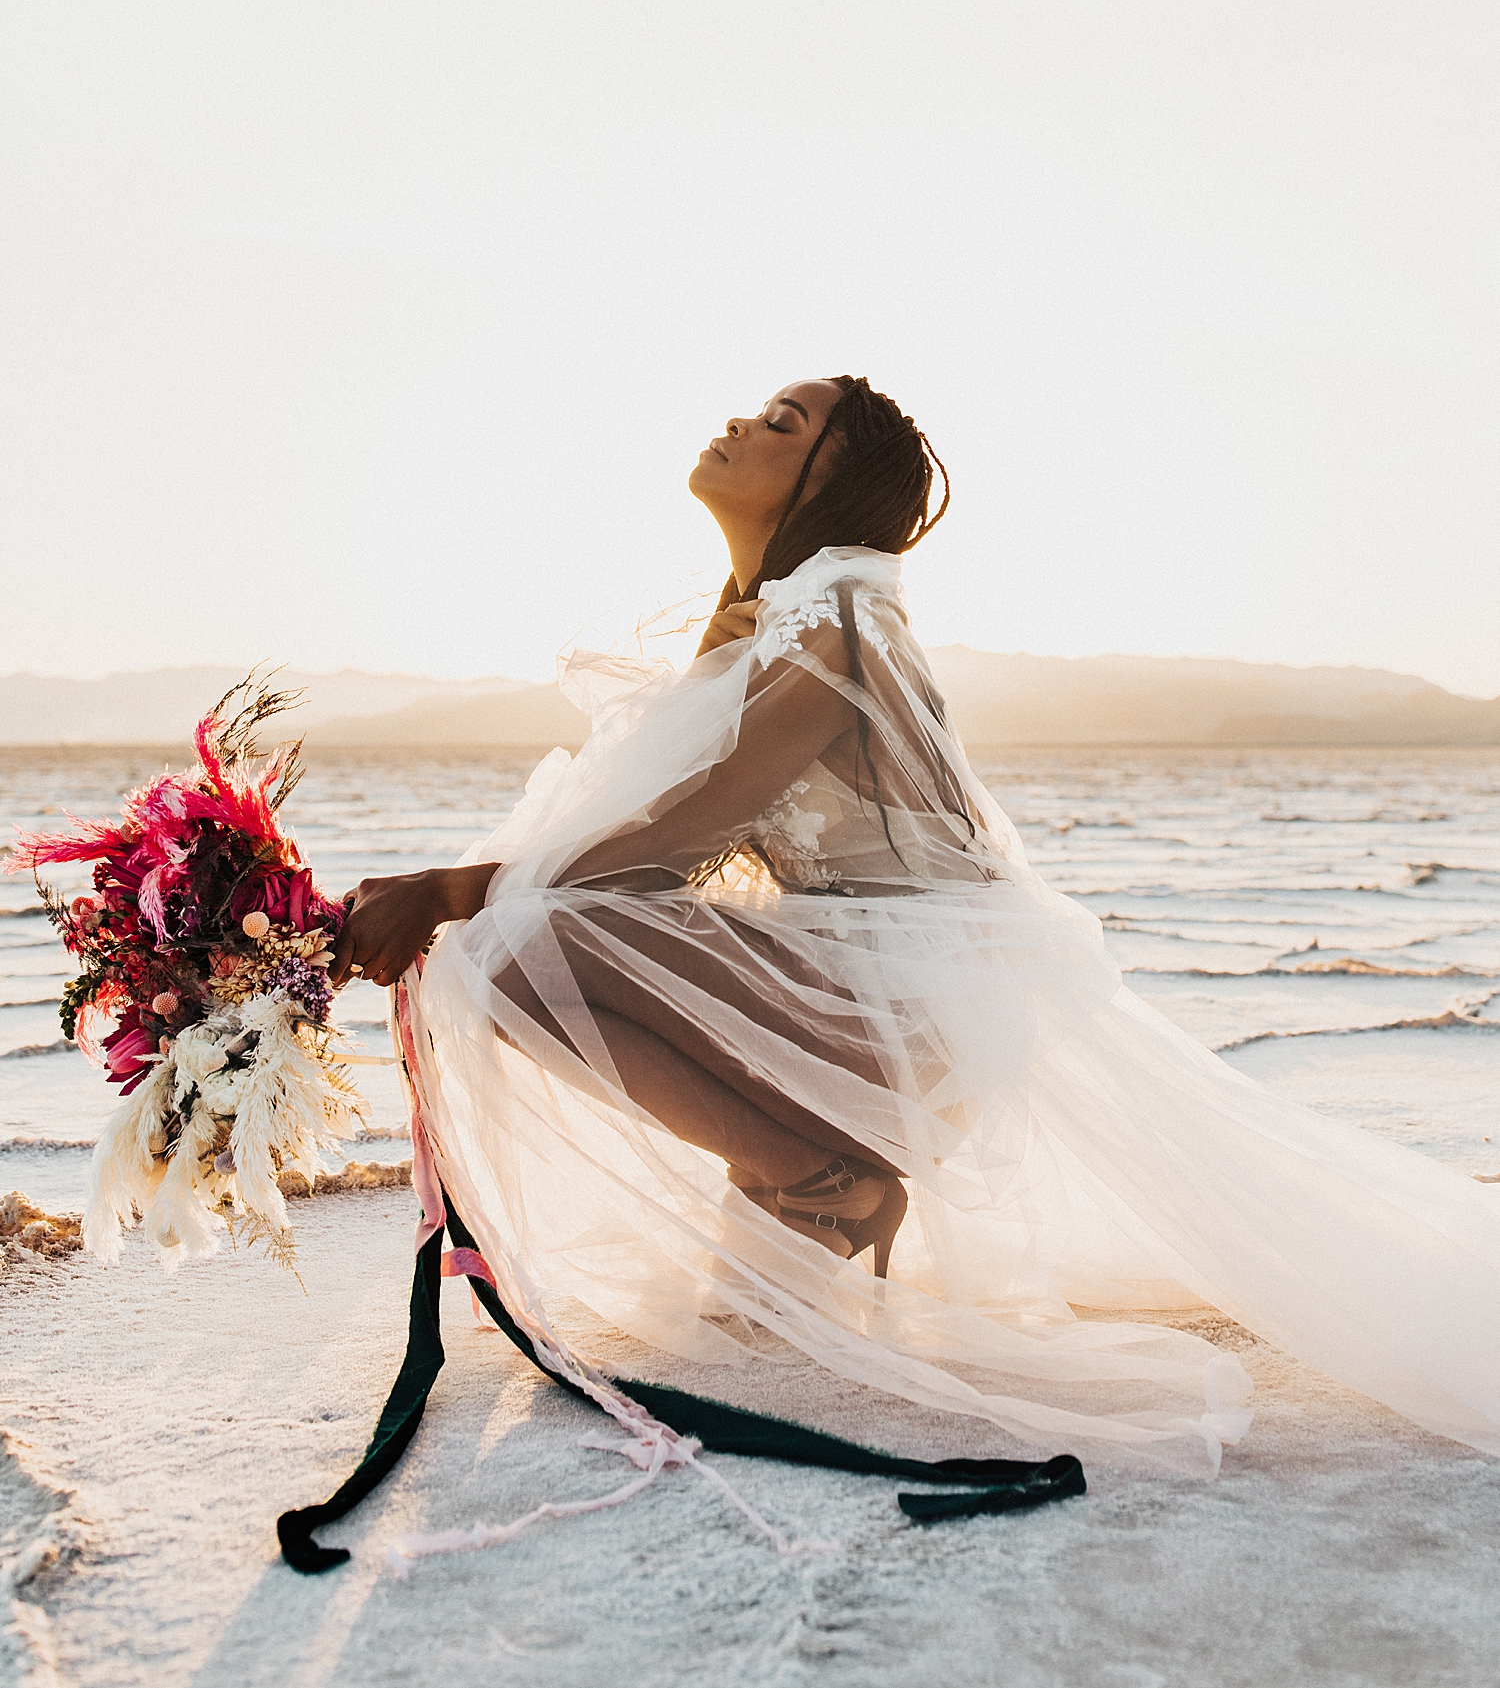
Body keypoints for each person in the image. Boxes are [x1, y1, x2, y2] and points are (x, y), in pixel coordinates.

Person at [335, 377, 1500, 1474]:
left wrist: (444, 890)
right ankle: (812, 1171)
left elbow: (668, 845)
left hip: (901, 1013)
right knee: (726, 1315)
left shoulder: (838, 616)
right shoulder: (770, 620)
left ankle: (826, 1178)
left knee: (512, 946)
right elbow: (644, 844)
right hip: (850, 992)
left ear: (830, 479)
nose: (743, 418)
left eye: (783, 419)